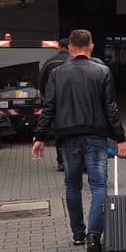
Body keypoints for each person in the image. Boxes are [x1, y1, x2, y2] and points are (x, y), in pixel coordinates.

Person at [31, 29, 126, 252]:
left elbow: (49, 107)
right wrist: (120, 139)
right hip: (96, 137)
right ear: (91, 47)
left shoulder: (57, 73)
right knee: (98, 187)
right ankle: (94, 236)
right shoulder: (102, 71)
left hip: (67, 138)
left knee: (72, 186)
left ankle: (78, 233)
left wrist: (39, 137)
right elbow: (111, 108)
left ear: (70, 48)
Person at [38, 38, 71, 171]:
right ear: (70, 47)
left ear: (59, 47)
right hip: (74, 101)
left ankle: (62, 161)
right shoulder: (76, 61)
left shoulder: (50, 62)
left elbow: (41, 81)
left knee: (59, 131)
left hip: (57, 103)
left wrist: (46, 96)